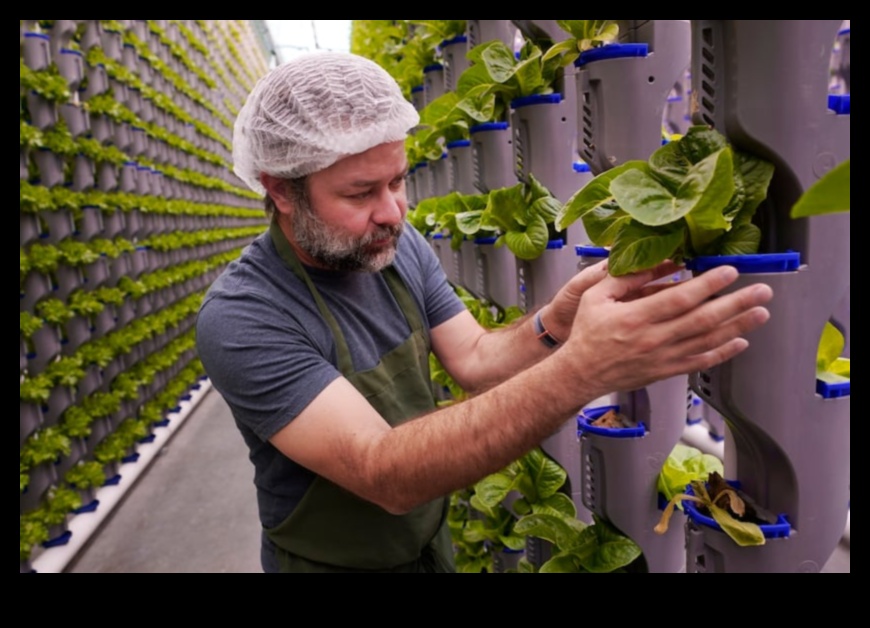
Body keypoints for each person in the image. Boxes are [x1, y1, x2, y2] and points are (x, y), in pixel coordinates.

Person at [196, 51, 773, 573]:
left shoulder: (394, 245)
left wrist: (556, 322)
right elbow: (382, 472)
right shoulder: (245, 315)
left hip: (427, 544)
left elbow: (474, 357)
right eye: (359, 192)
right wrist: (585, 368)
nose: (393, 211)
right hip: (331, 564)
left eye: (396, 181)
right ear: (280, 191)